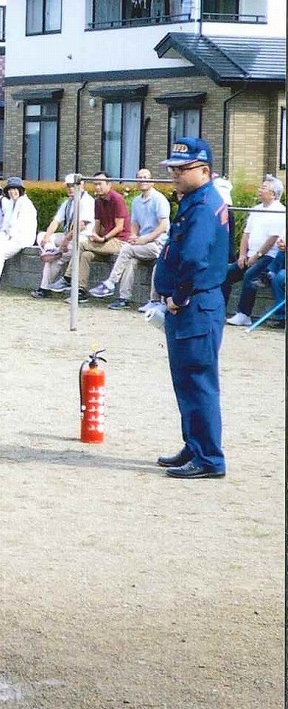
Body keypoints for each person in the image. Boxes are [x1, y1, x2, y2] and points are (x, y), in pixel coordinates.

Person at [154, 138, 230, 480]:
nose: (175, 174)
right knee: (186, 381)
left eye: (182, 169)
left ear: (204, 170)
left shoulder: (202, 205)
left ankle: (209, 457)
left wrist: (178, 297)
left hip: (195, 304)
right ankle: (195, 445)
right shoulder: (196, 200)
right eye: (173, 168)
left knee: (198, 381)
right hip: (194, 304)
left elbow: (195, 257)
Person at [89, 167, 172, 310]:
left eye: (146, 178)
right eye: (139, 178)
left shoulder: (159, 199)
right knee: (130, 261)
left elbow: (164, 226)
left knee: (127, 250)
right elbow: (134, 224)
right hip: (142, 245)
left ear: (152, 181)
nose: (142, 180)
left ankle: (110, 283)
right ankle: (123, 298)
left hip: (158, 244)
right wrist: (134, 236)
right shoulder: (136, 202)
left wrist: (145, 239)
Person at [224, 174, 285, 327]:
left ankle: (244, 314)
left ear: (274, 194)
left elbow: (273, 238)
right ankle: (220, 309)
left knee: (251, 276)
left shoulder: (279, 211)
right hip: (250, 255)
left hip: (268, 257)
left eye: (264, 188)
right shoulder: (256, 209)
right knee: (226, 274)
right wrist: (243, 254)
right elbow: (246, 233)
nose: (260, 190)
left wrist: (257, 255)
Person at [66, 171, 131, 300]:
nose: (97, 187)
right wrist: (94, 235)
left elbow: (120, 227)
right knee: (85, 255)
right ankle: (81, 290)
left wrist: (103, 238)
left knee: (81, 244)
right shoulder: (98, 201)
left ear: (109, 184)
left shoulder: (117, 199)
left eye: (100, 184)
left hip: (119, 241)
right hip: (105, 242)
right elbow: (97, 224)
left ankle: (67, 277)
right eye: (95, 184)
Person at [31, 175, 94, 299]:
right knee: (42, 235)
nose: (70, 189)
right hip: (67, 236)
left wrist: (65, 241)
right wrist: (46, 239)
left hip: (81, 238)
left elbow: (81, 225)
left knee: (57, 258)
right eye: (68, 186)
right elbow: (56, 221)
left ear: (81, 185)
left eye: (73, 186)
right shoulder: (68, 202)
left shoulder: (87, 201)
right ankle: (51, 250)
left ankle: (45, 288)